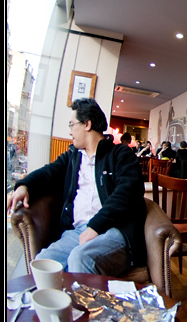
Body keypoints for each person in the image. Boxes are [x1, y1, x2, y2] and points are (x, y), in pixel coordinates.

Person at [6, 98, 147, 276]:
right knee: (43, 263)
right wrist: (24, 186)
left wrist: (96, 226)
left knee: (80, 258)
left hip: (114, 230)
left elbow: (127, 193)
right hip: (78, 231)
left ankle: (81, 305)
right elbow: (48, 172)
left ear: (87, 124)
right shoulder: (74, 157)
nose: (70, 131)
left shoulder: (120, 155)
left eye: (72, 125)